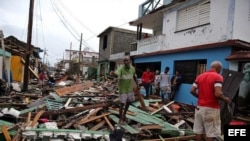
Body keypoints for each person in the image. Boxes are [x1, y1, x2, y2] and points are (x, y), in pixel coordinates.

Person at [190, 61, 231, 141]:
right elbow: (218, 94)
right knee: (210, 132)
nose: (220, 71)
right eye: (220, 69)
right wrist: (226, 99)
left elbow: (192, 90)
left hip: (199, 107)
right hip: (211, 108)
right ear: (218, 68)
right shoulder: (218, 77)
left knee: (198, 131)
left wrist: (200, 97)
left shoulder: (200, 76)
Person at [110, 56, 138, 125]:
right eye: (124, 61)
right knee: (122, 104)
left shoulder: (132, 68)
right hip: (123, 90)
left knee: (128, 103)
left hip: (130, 89)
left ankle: (124, 114)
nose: (125, 62)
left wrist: (137, 85)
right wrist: (114, 74)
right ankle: (121, 119)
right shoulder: (121, 69)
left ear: (130, 61)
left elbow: (134, 76)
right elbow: (117, 74)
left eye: (127, 60)